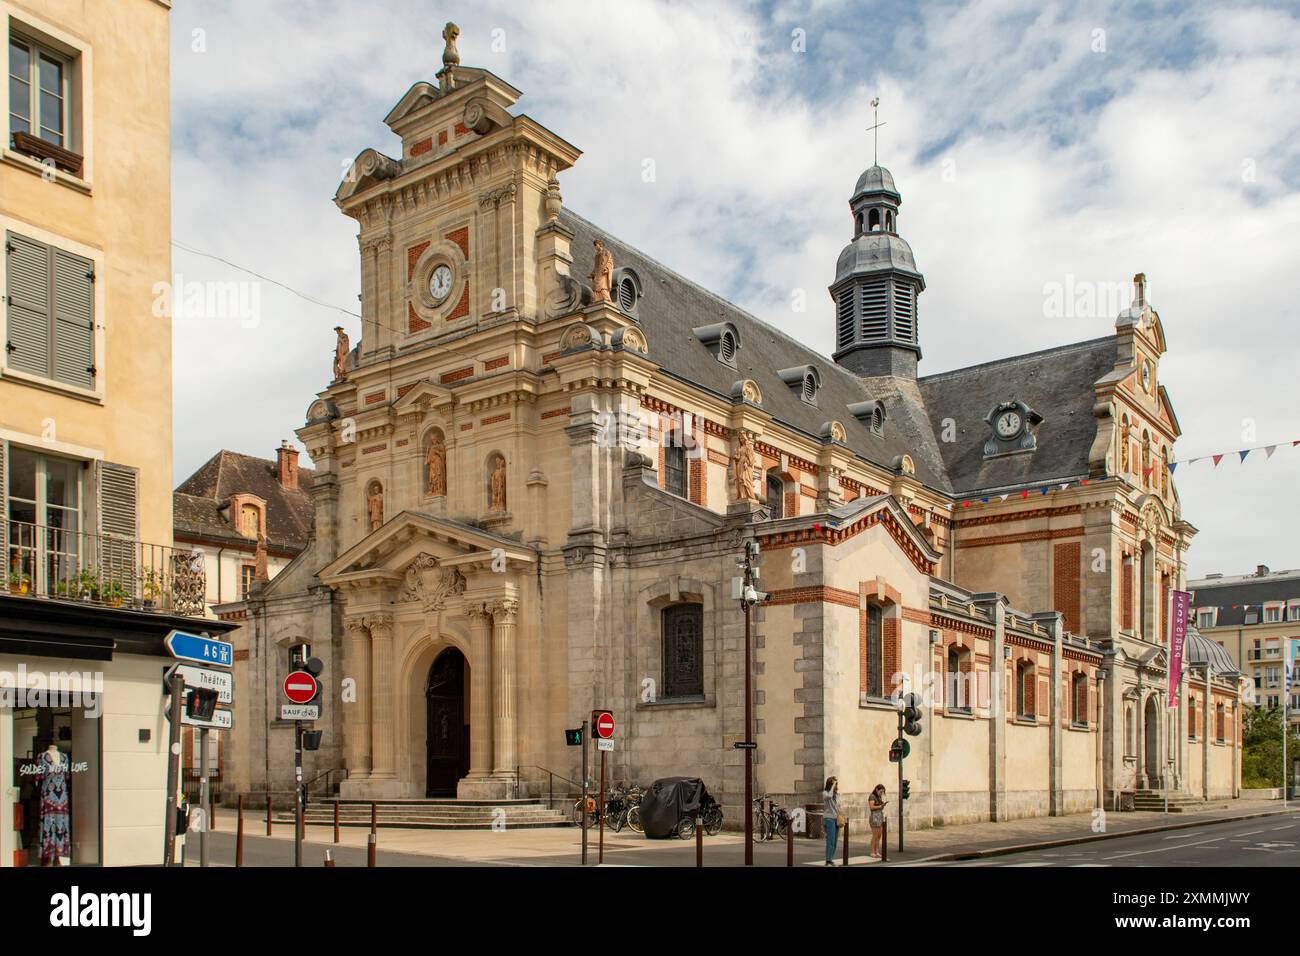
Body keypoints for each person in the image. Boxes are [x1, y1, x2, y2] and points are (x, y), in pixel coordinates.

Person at [823, 776, 844, 866]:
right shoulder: (825, 793)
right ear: (830, 784)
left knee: (835, 841)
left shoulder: (837, 795)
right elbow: (828, 796)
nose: (836, 785)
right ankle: (828, 860)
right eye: (834, 784)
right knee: (830, 841)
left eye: (836, 784)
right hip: (829, 819)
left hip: (836, 819)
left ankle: (831, 859)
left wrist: (842, 814)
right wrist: (832, 787)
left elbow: (838, 806)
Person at [869, 784, 887, 859]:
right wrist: (880, 806)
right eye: (880, 791)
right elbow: (871, 807)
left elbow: (879, 807)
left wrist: (882, 805)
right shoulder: (872, 796)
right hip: (874, 817)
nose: (881, 793)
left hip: (880, 816)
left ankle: (877, 851)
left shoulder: (879, 797)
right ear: (876, 789)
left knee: (879, 835)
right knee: (875, 835)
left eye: (882, 792)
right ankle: (872, 852)